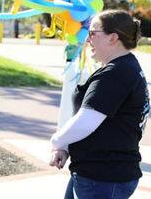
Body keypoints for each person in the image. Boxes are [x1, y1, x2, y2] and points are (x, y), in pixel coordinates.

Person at [50, 10, 150, 199]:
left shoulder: (116, 74)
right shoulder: (125, 67)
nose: (88, 39)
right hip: (99, 173)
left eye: (92, 33)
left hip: (103, 178)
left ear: (113, 38)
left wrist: (57, 141)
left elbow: (87, 121)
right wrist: (65, 147)